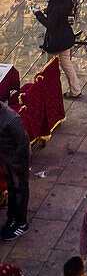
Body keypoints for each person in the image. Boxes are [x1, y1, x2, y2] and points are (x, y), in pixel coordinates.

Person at [33, 0, 82, 98]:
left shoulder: (55, 8)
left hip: (56, 41)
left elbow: (50, 24)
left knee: (50, 68)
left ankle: (51, 93)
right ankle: (76, 91)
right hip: (66, 37)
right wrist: (48, 11)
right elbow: (58, 14)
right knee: (67, 65)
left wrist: (38, 14)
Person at [0, 103, 30, 241]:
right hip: (6, 158)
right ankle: (12, 218)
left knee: (20, 190)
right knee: (12, 190)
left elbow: (23, 142)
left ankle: (21, 223)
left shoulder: (11, 119)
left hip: (17, 160)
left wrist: (14, 160)